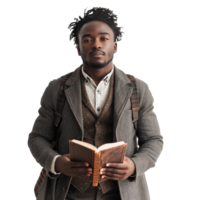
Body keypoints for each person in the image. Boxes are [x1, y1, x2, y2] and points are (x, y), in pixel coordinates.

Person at [26, 5, 165, 200]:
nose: (96, 44)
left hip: (123, 193)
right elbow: (36, 137)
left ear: (115, 46)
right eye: (87, 39)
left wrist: (134, 166)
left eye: (103, 38)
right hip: (68, 193)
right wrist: (57, 163)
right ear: (77, 48)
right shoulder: (56, 87)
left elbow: (154, 140)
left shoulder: (139, 88)